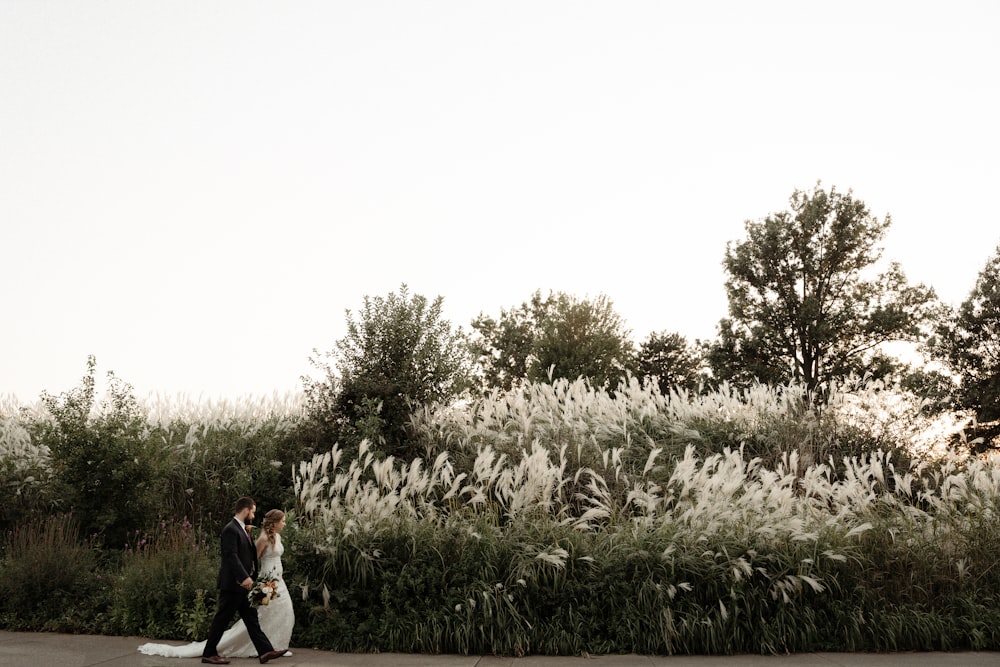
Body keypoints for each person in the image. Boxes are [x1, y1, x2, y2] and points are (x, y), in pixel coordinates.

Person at [137, 498, 289, 665]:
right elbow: (231, 556)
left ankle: (265, 651)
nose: (253, 515)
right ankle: (209, 653)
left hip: (244, 586)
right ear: (245, 511)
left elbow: (247, 555)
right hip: (233, 584)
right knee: (222, 619)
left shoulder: (242, 530)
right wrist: (244, 577)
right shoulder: (230, 529)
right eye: (252, 512)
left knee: (252, 619)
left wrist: (251, 577)